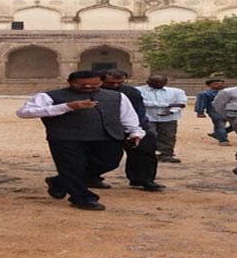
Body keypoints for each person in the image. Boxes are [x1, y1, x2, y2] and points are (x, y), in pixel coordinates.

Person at [15, 70, 146, 211]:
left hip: (106, 136)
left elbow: (128, 116)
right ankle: (82, 198)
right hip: (66, 138)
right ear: (70, 82)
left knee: (110, 162)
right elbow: (24, 112)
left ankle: (59, 181)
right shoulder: (49, 96)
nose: (88, 87)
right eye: (82, 84)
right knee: (72, 167)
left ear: (102, 82)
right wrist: (67, 107)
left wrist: (135, 132)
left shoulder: (118, 97)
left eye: (94, 84)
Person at [97, 69, 165, 191]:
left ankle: (143, 179)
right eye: (110, 83)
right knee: (105, 157)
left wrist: (138, 130)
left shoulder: (131, 92)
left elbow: (139, 111)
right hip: (104, 129)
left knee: (145, 151)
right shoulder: (93, 92)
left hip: (134, 126)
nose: (115, 86)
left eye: (119, 82)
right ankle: (91, 177)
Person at [136, 75, 187, 163]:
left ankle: (166, 154)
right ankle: (148, 154)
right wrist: (166, 105)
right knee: (149, 135)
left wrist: (172, 111)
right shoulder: (138, 90)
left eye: (161, 82)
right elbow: (142, 102)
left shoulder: (177, 91)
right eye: (155, 82)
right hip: (147, 117)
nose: (158, 84)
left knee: (168, 136)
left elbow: (181, 103)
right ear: (147, 82)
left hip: (169, 118)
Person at [195, 79, 231, 146]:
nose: (220, 85)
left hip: (230, 111)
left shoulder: (229, 92)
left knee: (236, 125)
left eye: (221, 83)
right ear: (209, 85)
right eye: (216, 83)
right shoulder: (205, 94)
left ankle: (217, 134)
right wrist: (200, 112)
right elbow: (201, 103)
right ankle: (223, 140)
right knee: (220, 125)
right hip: (215, 111)